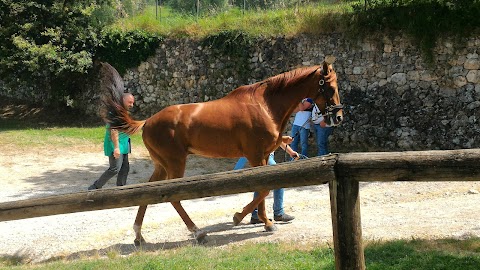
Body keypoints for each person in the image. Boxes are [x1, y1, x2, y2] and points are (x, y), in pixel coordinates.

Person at [233, 138, 299, 224]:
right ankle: (278, 212)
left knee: (260, 185)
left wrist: (290, 152)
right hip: (264, 156)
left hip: (264, 156)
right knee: (278, 179)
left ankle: (256, 215)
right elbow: (276, 138)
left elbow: (278, 140)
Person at [88, 92, 135, 190]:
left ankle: (121, 189)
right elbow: (113, 130)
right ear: (123, 100)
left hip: (124, 145)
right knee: (115, 169)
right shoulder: (114, 113)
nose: (132, 105)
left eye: (133, 103)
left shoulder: (124, 112)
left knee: (125, 168)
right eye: (130, 102)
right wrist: (116, 148)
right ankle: (95, 186)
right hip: (115, 144)